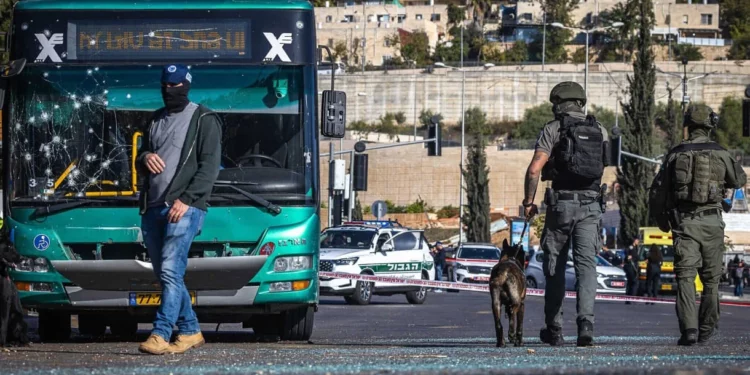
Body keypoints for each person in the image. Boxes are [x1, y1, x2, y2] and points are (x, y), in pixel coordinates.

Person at [136, 64, 222, 355]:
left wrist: (186, 200)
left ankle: (160, 334)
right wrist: (145, 156)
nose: (168, 91)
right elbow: (139, 157)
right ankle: (190, 331)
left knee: (171, 272)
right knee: (166, 274)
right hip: (153, 208)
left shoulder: (204, 119)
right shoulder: (155, 120)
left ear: (186, 86)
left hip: (185, 208)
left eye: (174, 86)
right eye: (165, 86)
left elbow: (209, 168)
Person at [648, 104, 747, 346]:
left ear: (688, 125)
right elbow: (739, 180)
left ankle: (689, 330)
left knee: (685, 277)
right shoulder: (721, 152)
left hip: (685, 223)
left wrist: (662, 222)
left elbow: (658, 192)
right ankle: (706, 328)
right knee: (711, 281)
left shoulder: (674, 154)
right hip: (713, 222)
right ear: (710, 125)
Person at [521, 81, 610, 347]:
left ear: (558, 104)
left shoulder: (553, 129)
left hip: (560, 205)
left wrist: (528, 202)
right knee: (587, 267)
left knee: (555, 267)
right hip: (591, 205)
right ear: (581, 102)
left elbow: (535, 168)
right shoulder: (601, 130)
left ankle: (555, 329)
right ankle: (586, 326)